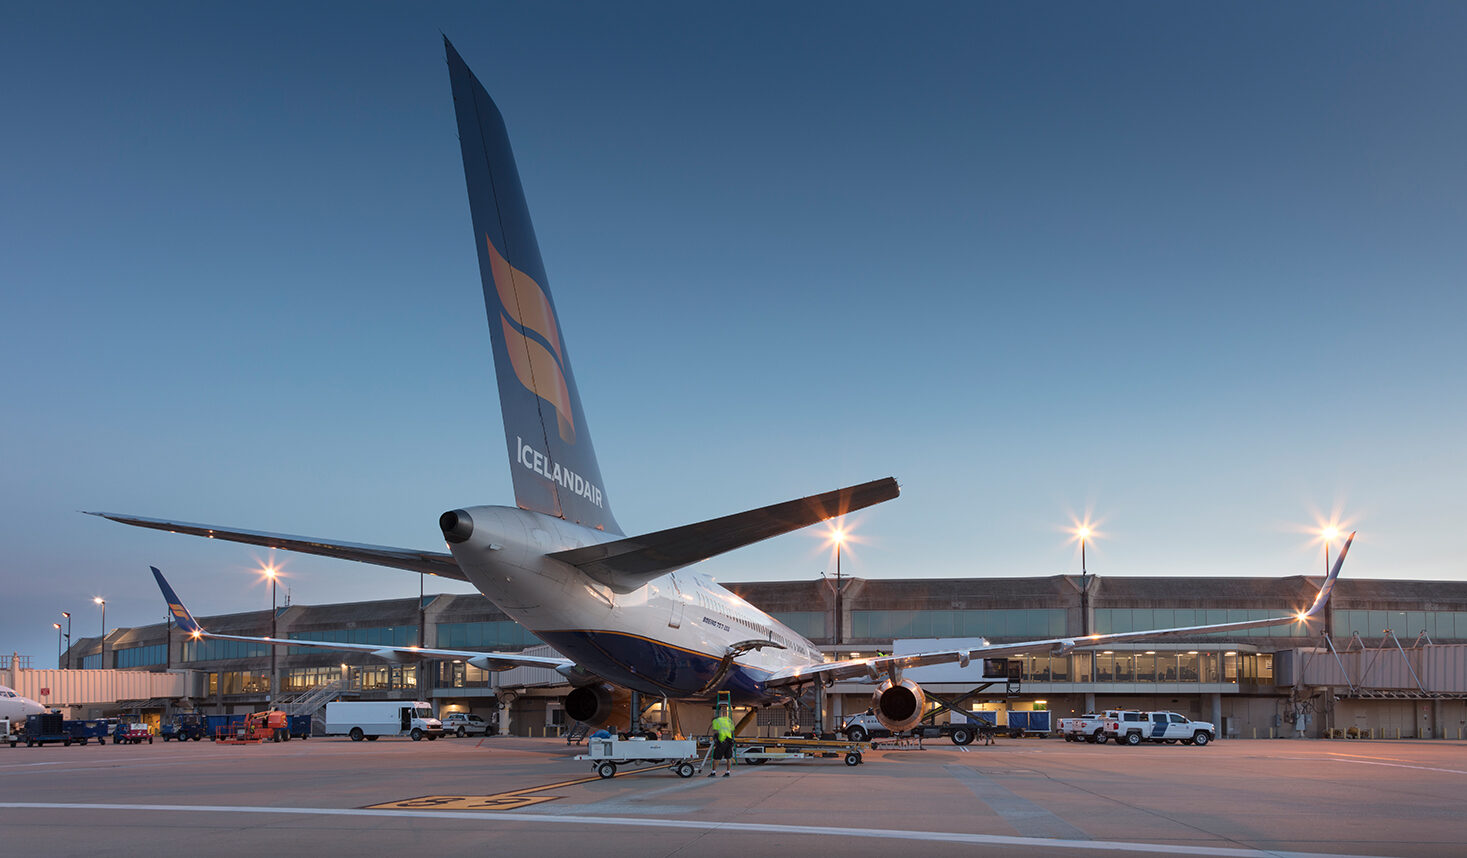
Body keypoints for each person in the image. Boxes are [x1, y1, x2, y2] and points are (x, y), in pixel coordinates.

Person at [708, 706, 735, 777]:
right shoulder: (727, 719)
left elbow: (715, 731)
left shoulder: (715, 721)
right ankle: (728, 772)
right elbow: (732, 729)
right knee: (728, 758)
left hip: (722, 741)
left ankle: (713, 772)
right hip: (729, 740)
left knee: (716, 758)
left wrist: (715, 738)